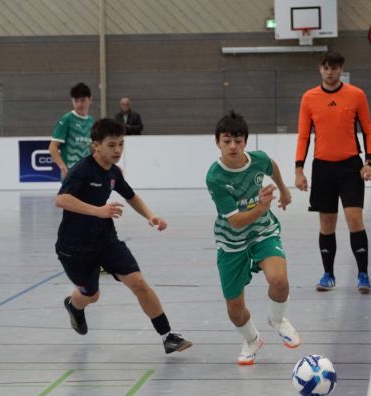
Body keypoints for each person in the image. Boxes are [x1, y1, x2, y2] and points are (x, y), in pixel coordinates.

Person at [55, 118, 192, 355]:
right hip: (74, 247)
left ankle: (168, 336)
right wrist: (98, 211)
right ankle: (74, 306)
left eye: (121, 144)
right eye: (111, 145)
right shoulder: (82, 169)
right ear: (96, 145)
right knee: (91, 296)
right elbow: (61, 199)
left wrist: (150, 215)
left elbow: (131, 195)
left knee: (138, 282)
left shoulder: (113, 172)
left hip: (105, 240)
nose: (118, 150)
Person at [206, 111, 300, 365]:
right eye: (227, 141)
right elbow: (236, 221)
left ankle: (277, 319)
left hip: (262, 232)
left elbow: (272, 166)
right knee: (235, 310)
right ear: (217, 142)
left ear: (245, 141)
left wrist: (284, 191)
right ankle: (252, 340)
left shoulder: (257, 160)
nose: (233, 146)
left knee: (279, 281)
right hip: (231, 242)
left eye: (238, 140)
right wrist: (261, 207)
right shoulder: (215, 177)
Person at [294, 50, 371, 293]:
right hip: (322, 168)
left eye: (334, 67)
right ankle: (328, 274)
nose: (330, 72)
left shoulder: (356, 95)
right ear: (320, 69)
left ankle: (363, 274)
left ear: (341, 69)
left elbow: (368, 130)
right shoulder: (309, 98)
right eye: (326, 67)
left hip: (350, 167)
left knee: (354, 218)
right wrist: (299, 170)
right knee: (327, 222)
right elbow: (303, 136)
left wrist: (369, 162)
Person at [49, 82, 94, 180]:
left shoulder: (91, 121)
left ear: (90, 100)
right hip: (71, 173)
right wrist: (62, 167)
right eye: (76, 101)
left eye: (83, 100)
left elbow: (93, 148)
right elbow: (53, 147)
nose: (79, 104)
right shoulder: (67, 119)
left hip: (87, 173)